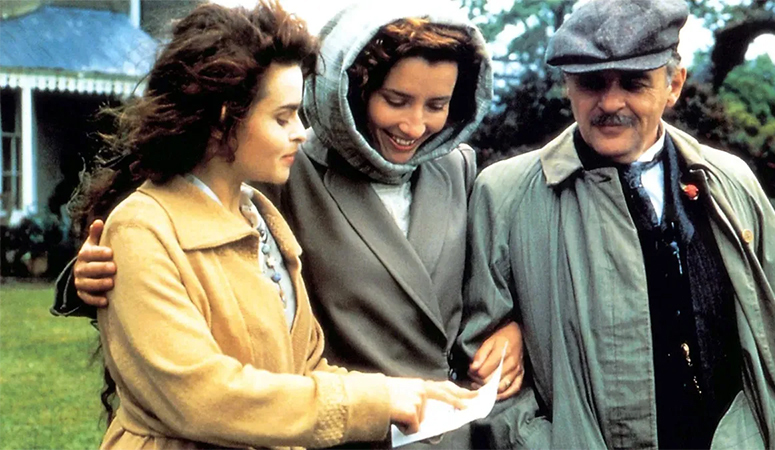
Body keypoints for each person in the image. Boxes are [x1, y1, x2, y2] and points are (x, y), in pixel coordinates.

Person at [54, 0, 524, 447]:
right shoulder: (269, 181)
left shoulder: (260, 213)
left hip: (407, 425)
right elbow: (199, 391)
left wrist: (508, 329)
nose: (300, 131)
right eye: (283, 117)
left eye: (436, 105)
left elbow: (303, 362)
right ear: (223, 119)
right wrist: (92, 274)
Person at [458, 0, 775, 448]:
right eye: (591, 83)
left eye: (634, 83)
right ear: (568, 86)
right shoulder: (503, 195)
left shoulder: (729, 180)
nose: (610, 103)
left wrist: (764, 432)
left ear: (673, 85)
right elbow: (484, 373)